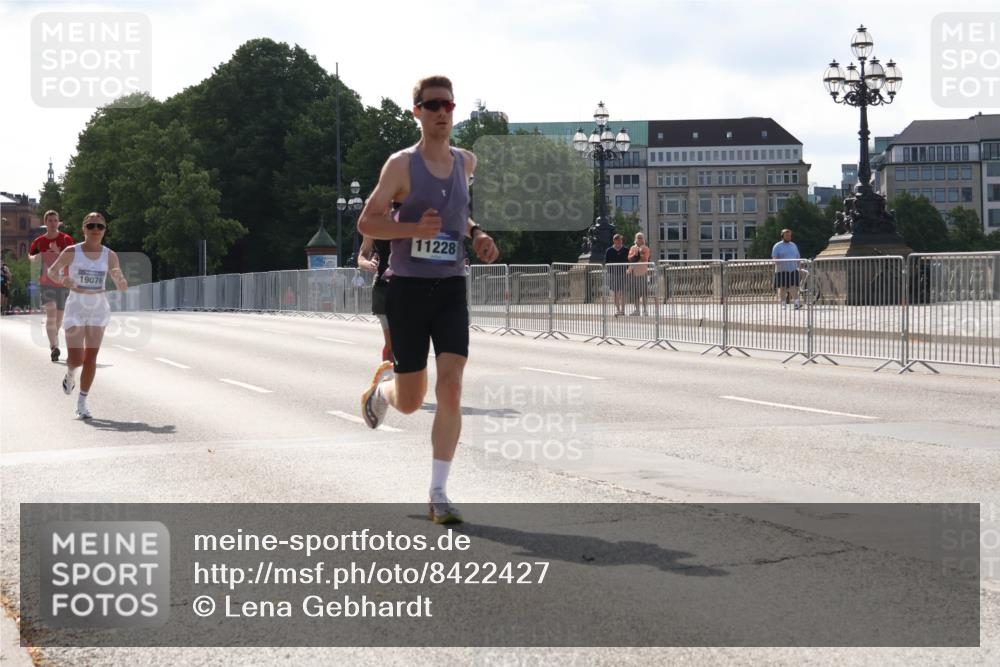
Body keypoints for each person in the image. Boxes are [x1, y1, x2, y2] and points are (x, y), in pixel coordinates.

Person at [357, 75, 499, 525]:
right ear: (416, 110)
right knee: (413, 400)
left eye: (448, 105)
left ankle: (439, 493)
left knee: (452, 385)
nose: (442, 112)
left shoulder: (466, 162)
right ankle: (383, 389)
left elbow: (460, 213)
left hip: (451, 286)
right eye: (433, 105)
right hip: (409, 289)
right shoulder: (401, 166)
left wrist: (476, 233)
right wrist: (412, 230)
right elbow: (368, 223)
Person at [47, 212, 128, 419]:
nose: (95, 230)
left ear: (104, 231)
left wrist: (121, 282)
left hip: (98, 308)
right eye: (91, 226)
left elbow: (117, 275)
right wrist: (62, 281)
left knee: (91, 357)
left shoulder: (109, 255)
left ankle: (82, 402)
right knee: (76, 358)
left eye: (99, 226)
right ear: (84, 229)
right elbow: (53, 272)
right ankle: (70, 374)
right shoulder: (71, 251)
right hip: (76, 306)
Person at [28, 210, 75, 360]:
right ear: (45, 223)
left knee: (59, 318)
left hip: (62, 281)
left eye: (55, 220)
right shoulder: (39, 241)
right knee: (51, 312)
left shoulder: (66, 239)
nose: (53, 223)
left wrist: (58, 252)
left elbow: (73, 257)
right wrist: (35, 257)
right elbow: (31, 255)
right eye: (50, 221)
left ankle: (54, 337)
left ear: (58, 222)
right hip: (46, 282)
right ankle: (53, 347)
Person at [357, 234, 394, 363]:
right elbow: (362, 256)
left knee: (410, 342)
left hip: (411, 286)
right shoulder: (373, 224)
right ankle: (388, 376)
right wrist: (367, 263)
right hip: (383, 288)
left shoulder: (410, 216)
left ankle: (407, 380)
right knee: (391, 343)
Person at [771, 228, 802, 309]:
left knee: (794, 286)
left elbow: (798, 257)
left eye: (790, 235)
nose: (789, 237)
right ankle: (783, 303)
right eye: (787, 235)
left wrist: (799, 267)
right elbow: (774, 257)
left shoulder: (793, 245)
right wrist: (778, 263)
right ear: (782, 236)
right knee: (782, 288)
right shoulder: (777, 245)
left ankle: (796, 303)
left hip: (793, 269)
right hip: (781, 270)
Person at [626, 232, 651, 316]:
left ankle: (645, 310)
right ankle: (637, 310)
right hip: (634, 273)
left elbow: (645, 259)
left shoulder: (646, 248)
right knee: (635, 293)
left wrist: (639, 253)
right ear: (635, 239)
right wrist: (636, 254)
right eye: (638, 237)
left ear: (643, 239)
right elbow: (630, 258)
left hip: (643, 273)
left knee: (644, 293)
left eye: (641, 237)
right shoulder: (632, 248)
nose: (640, 239)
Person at [604, 233, 628, 317]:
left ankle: (623, 310)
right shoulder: (609, 250)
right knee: (616, 293)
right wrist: (610, 272)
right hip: (613, 274)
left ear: (621, 240)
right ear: (614, 241)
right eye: (617, 240)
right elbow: (606, 262)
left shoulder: (625, 249)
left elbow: (628, 261)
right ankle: (618, 310)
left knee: (622, 292)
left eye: (620, 240)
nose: (618, 242)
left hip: (623, 273)